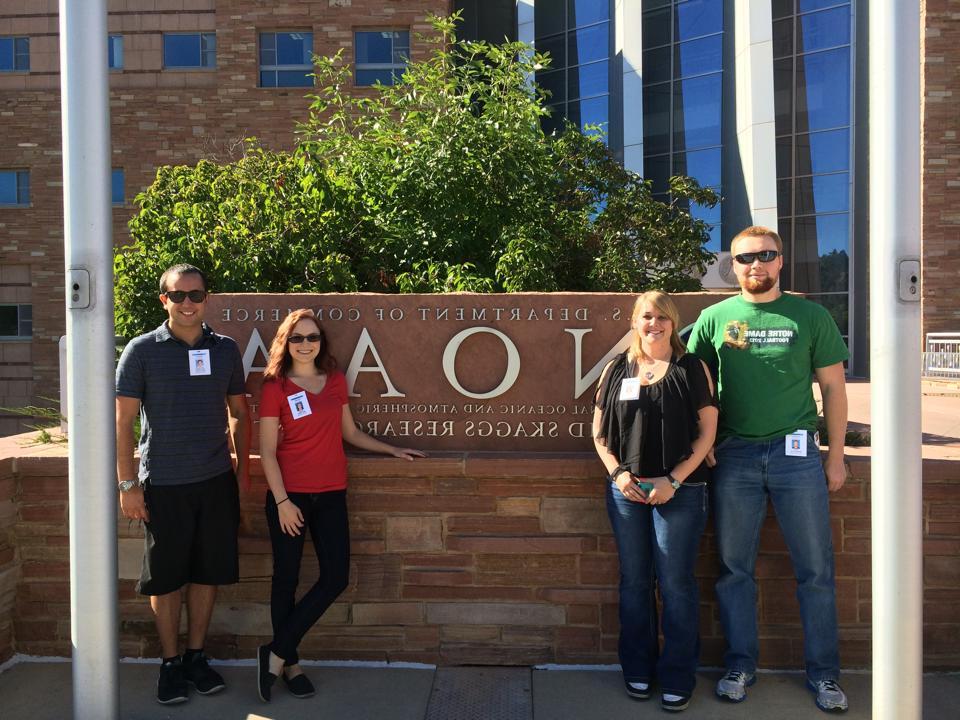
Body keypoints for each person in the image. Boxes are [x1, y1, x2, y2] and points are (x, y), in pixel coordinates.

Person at [687, 225, 850, 714]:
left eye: (765, 255)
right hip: (733, 456)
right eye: (744, 258)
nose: (755, 265)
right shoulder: (714, 319)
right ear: (731, 267)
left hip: (797, 454)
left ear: (780, 262)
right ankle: (740, 665)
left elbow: (835, 391)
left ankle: (824, 675)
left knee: (815, 571)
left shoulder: (810, 316)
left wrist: (836, 455)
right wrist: (705, 440)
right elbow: (693, 386)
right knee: (734, 571)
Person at [256, 308, 426, 702]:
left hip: (331, 493)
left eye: (312, 337)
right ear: (285, 341)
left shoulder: (333, 380)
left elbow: (349, 432)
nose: (305, 344)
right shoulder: (275, 387)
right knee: (286, 578)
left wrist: (391, 448)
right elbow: (266, 452)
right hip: (290, 495)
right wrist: (282, 502)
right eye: (296, 338)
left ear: (321, 342)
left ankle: (276, 652)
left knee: (335, 577)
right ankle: (291, 664)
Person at [116, 263, 250, 705]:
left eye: (196, 294)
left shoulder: (226, 349)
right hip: (165, 483)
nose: (188, 303)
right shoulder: (141, 351)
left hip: (214, 481)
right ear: (164, 300)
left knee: (207, 573)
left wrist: (239, 465)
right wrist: (127, 484)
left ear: (206, 298)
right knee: (167, 579)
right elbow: (124, 423)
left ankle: (196, 656)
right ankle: (170, 663)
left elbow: (237, 409)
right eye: (178, 295)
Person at [593, 291, 718, 713]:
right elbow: (599, 434)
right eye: (647, 316)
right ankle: (638, 667)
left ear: (673, 322)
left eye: (663, 317)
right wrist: (618, 474)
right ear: (634, 321)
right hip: (626, 492)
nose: (655, 324)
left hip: (680, 493)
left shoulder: (691, 368)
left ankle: (678, 675)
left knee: (676, 585)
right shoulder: (615, 369)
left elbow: (706, 435)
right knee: (634, 582)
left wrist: (673, 481)